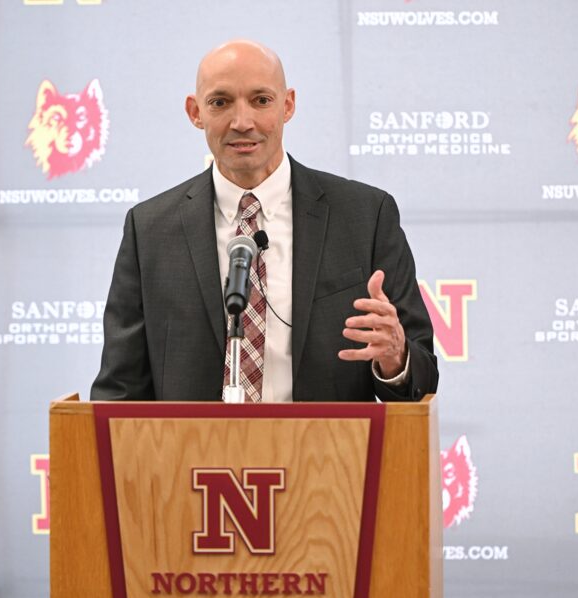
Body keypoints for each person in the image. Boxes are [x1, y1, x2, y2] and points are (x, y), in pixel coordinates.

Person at [91, 40, 438, 402]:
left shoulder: (365, 216)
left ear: (287, 105)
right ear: (195, 112)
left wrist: (395, 358)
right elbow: (118, 392)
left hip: (326, 440)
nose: (242, 123)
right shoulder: (149, 231)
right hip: (192, 442)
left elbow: (423, 381)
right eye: (220, 102)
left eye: (260, 100)